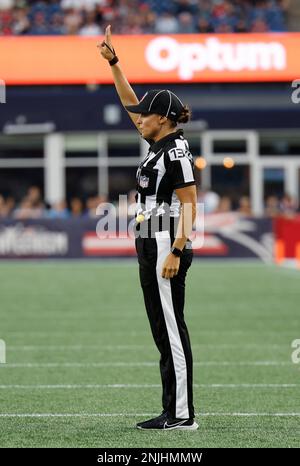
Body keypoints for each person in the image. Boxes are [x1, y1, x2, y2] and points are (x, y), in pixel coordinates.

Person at [98, 25, 198, 431]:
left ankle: (182, 415)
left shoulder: (175, 151)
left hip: (163, 241)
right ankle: (172, 409)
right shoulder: (159, 143)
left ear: (163, 119)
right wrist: (114, 64)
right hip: (150, 239)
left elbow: (190, 204)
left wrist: (176, 249)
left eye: (145, 115)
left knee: (171, 328)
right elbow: (129, 101)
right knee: (161, 327)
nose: (138, 119)